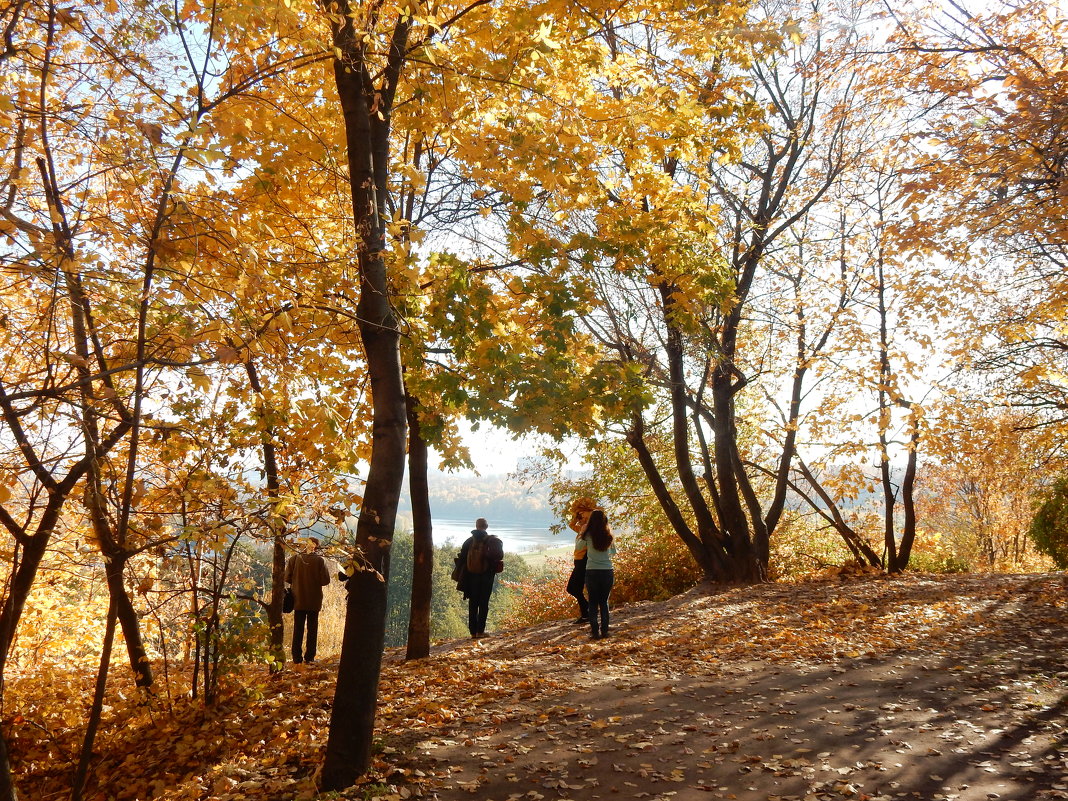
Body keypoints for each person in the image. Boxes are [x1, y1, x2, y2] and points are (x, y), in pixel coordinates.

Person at [284, 536, 330, 664]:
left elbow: (287, 578)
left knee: (298, 629)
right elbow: (325, 580)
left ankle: (296, 657)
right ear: (316, 546)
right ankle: (309, 657)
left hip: (297, 600)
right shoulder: (320, 560)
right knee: (312, 629)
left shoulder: (294, 559)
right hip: (314, 601)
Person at [457, 518, 502, 640]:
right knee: (483, 603)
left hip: (471, 576)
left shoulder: (468, 542)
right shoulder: (493, 540)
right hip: (487, 576)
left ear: (476, 526)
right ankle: (480, 631)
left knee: (473, 603)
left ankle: (473, 632)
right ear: (486, 527)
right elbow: (499, 555)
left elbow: (461, 559)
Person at [582, 509, 616, 640]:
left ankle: (595, 632)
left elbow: (579, 547)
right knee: (604, 602)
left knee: (592, 602)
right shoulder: (609, 535)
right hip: (607, 571)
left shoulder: (587, 535)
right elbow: (613, 552)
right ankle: (605, 631)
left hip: (592, 571)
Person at [566, 497, 597, 625]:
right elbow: (571, 525)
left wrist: (586, 518)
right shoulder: (582, 529)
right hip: (578, 561)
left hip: (583, 561)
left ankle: (588, 611)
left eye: (582, 515)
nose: (580, 517)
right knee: (574, 588)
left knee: (573, 588)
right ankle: (586, 613)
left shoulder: (589, 530)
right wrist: (576, 516)